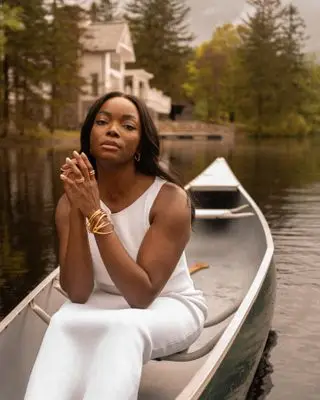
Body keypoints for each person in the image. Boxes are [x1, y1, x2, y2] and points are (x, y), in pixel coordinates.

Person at [24, 92, 207, 400]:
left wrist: (95, 213)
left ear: (139, 145)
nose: (112, 130)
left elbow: (141, 295)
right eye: (103, 121)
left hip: (166, 303)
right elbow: (79, 292)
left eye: (127, 126)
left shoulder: (170, 200)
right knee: (63, 321)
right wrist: (79, 208)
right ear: (90, 136)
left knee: (124, 329)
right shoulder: (69, 202)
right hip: (100, 300)